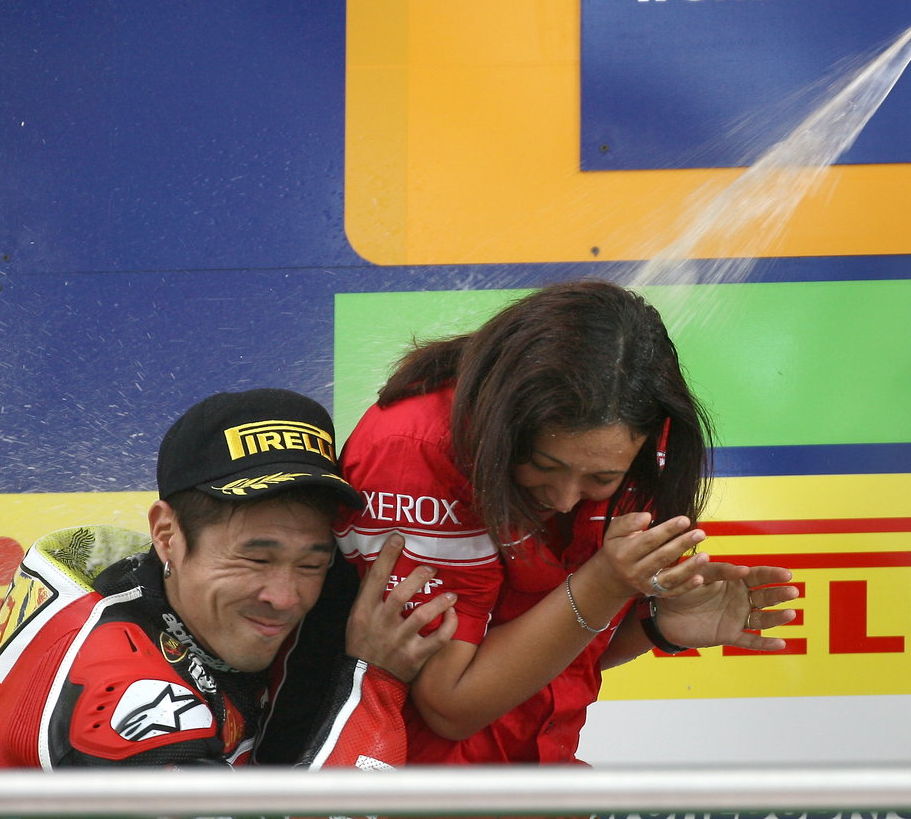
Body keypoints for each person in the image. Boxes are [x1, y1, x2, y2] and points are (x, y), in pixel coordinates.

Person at [332, 279, 800, 764]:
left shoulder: (640, 439)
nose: (564, 498)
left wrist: (657, 627)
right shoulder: (416, 450)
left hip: (543, 781)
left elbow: (558, 657)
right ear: (507, 420)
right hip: (404, 790)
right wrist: (604, 584)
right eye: (544, 465)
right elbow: (448, 705)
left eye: (601, 478)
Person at [0, 388, 458, 769]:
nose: (286, 598)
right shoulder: (129, 702)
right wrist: (374, 680)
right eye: (255, 559)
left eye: (311, 564)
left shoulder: (129, 584)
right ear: (166, 534)